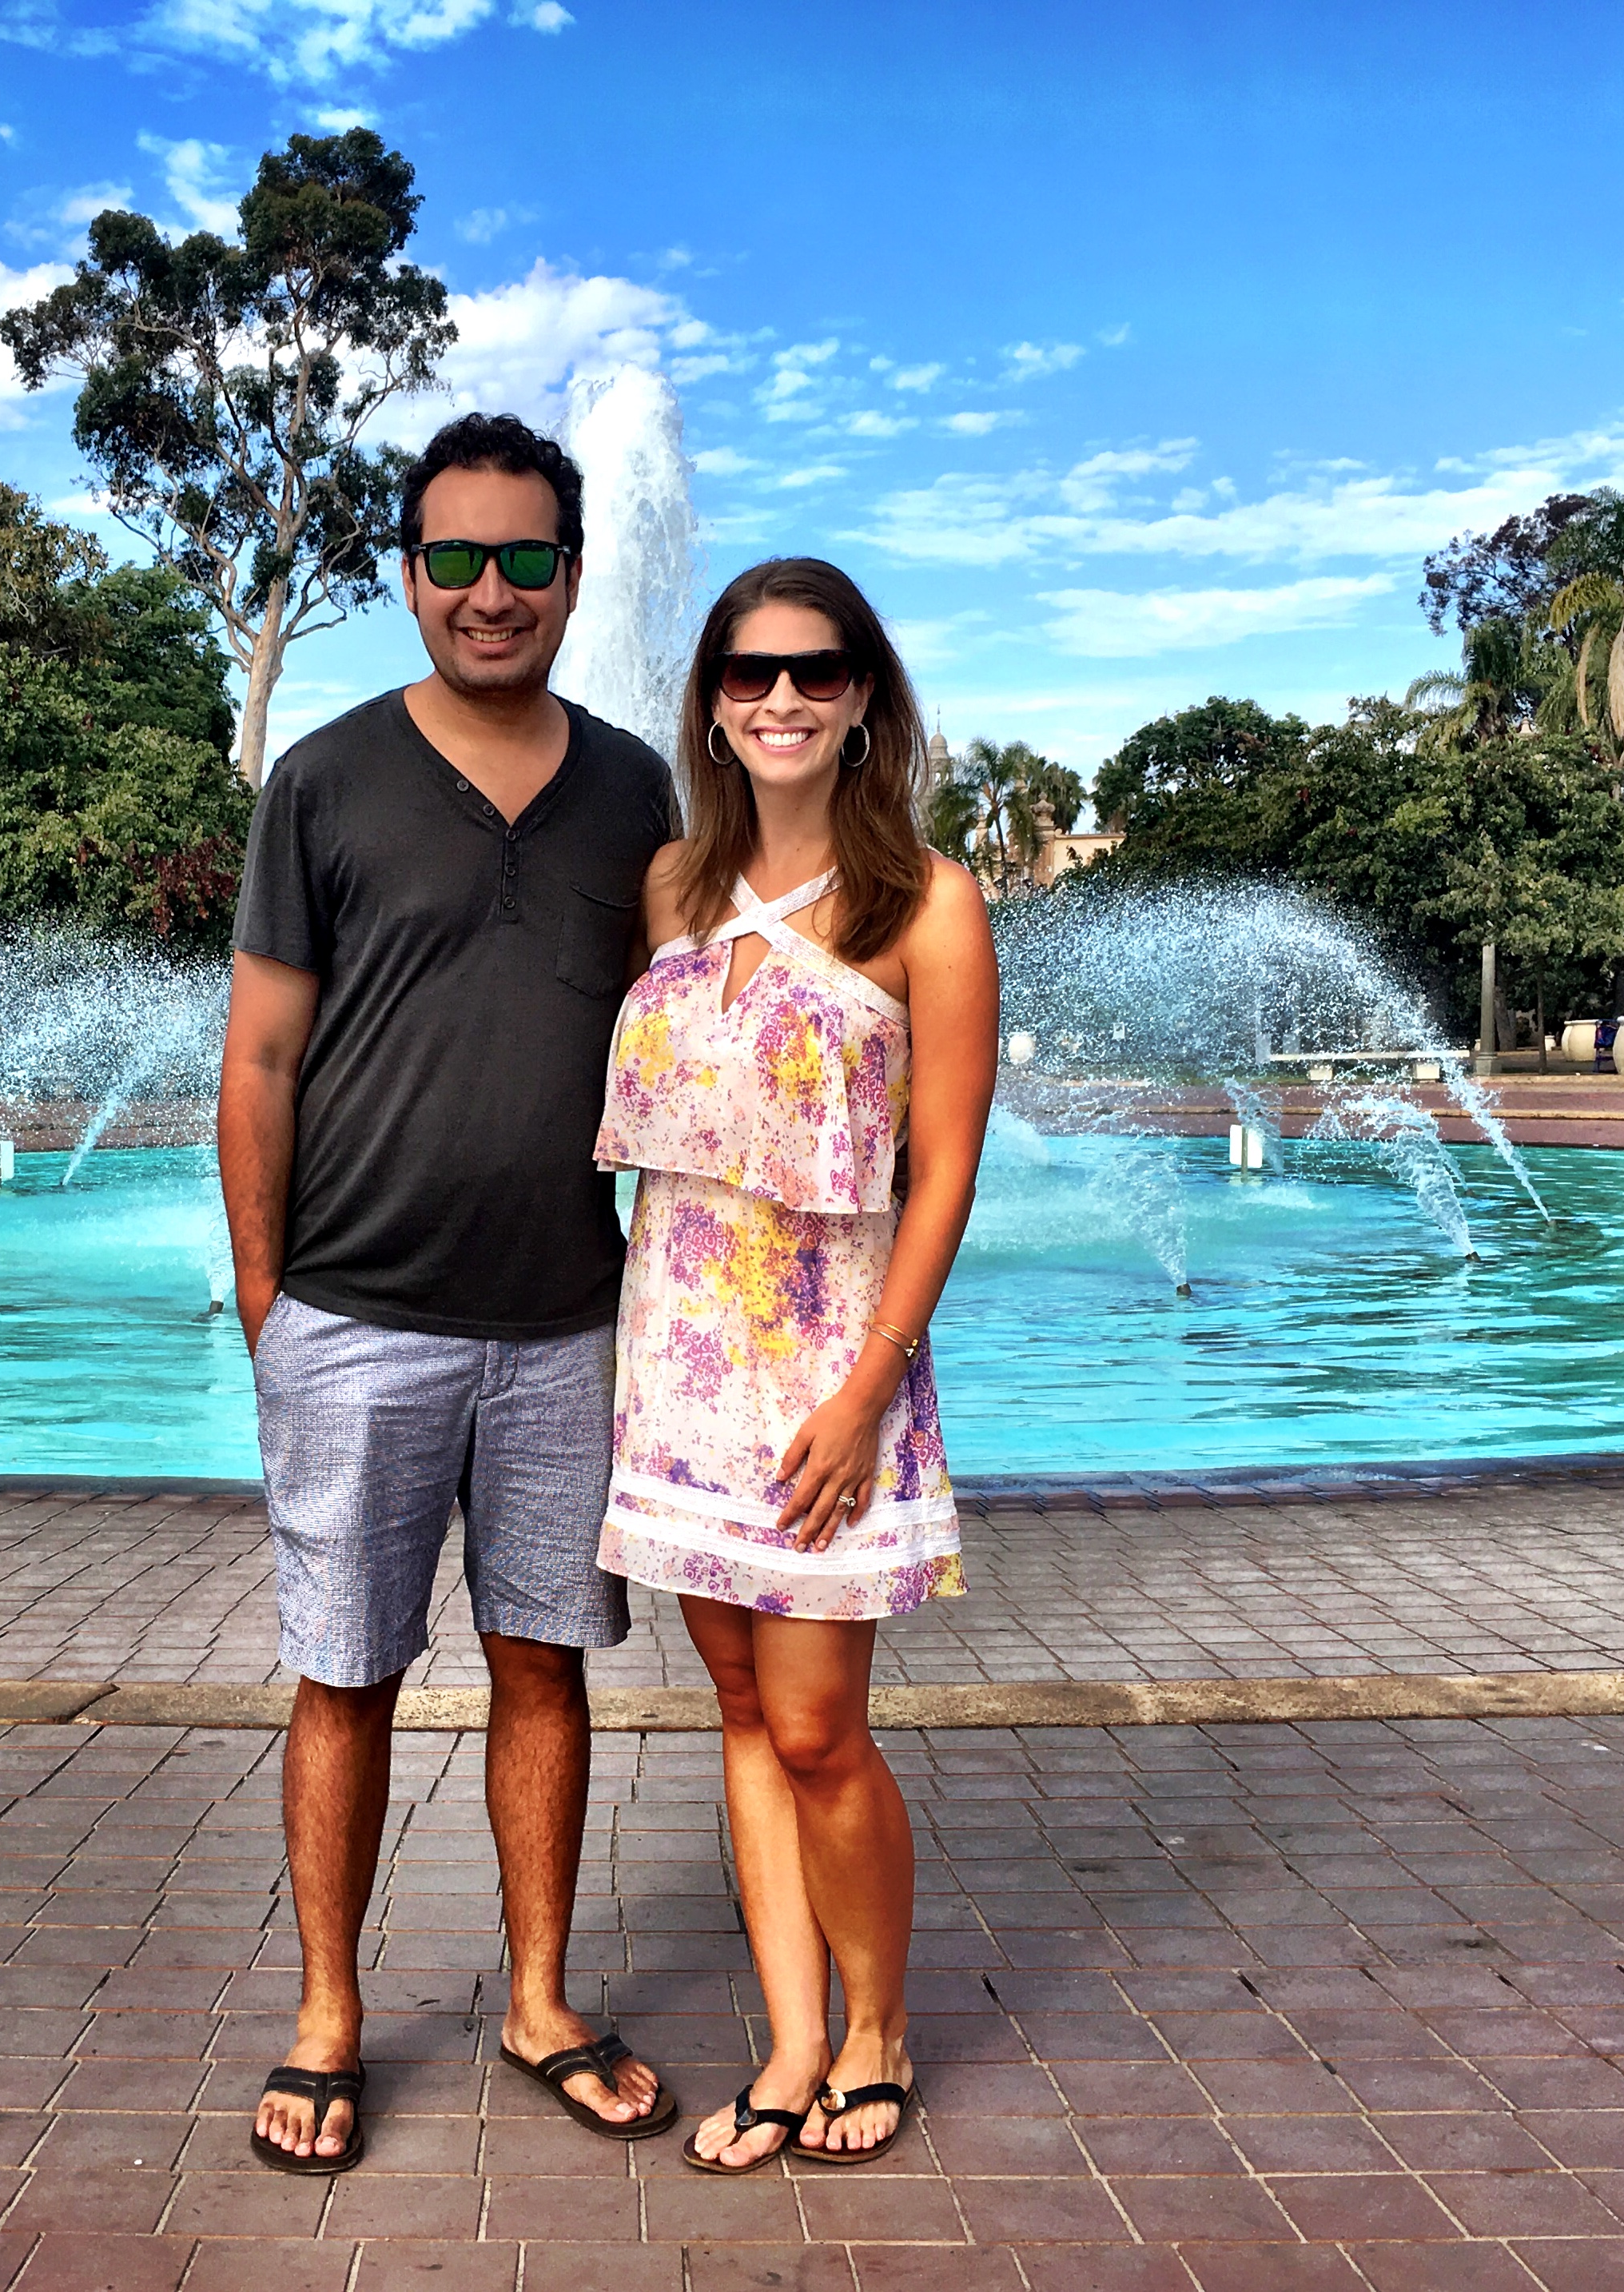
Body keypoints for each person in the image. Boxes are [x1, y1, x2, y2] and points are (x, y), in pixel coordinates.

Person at [221, 413, 681, 2174]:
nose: (491, 594)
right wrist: (269, 1300)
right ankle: (329, 2013)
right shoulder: (323, 782)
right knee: (341, 1678)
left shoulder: (636, 790)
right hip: (356, 1316)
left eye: (528, 561)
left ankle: (539, 1998)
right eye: (456, 561)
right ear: (405, 576)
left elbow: (678, 1048)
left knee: (541, 1671)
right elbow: (258, 1061)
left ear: (570, 575)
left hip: (568, 1326)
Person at [594, 557, 997, 2173]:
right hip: (680, 1362)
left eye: (814, 672)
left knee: (820, 1726)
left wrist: (868, 1387)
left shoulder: (929, 904)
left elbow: (947, 1172)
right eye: (750, 672)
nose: (780, 698)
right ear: (708, 698)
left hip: (833, 1368)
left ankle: (879, 2032)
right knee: (743, 1719)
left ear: (861, 699)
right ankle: (788, 2044)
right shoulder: (670, 889)